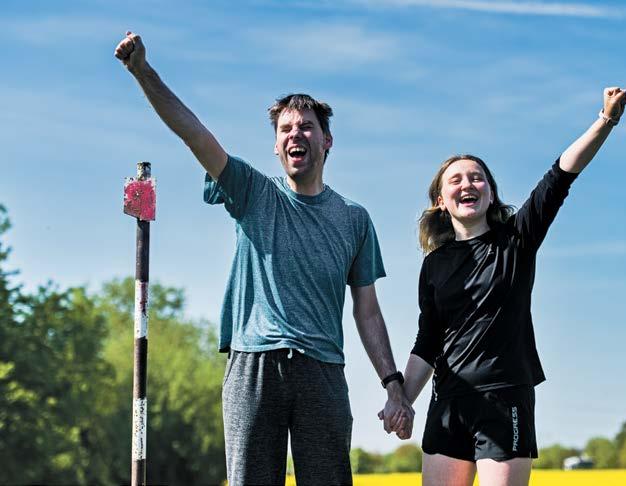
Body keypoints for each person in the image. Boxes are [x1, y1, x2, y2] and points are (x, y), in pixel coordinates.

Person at [114, 31, 414, 486]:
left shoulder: (354, 219)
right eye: (285, 129)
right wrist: (143, 72)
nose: (296, 134)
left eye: (306, 126)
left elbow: (367, 310)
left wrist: (393, 384)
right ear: (276, 146)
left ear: (327, 140)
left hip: (323, 370)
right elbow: (194, 133)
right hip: (253, 364)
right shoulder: (252, 191)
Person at [389, 87, 626, 486]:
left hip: (504, 399)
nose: (468, 184)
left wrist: (606, 120)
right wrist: (401, 400)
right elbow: (428, 340)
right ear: (441, 200)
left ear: (490, 192)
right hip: (448, 401)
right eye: (456, 180)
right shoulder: (433, 264)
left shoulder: (516, 239)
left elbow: (560, 175)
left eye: (477, 178)